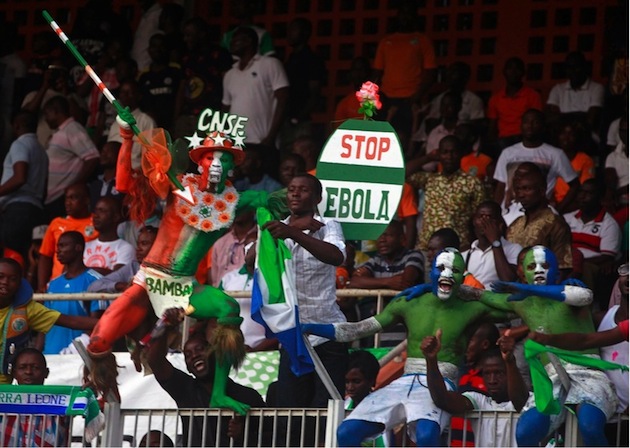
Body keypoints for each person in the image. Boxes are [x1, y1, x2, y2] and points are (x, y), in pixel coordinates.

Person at [87, 110, 273, 414]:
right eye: (210, 157)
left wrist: (273, 222)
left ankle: (219, 393)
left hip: (184, 288)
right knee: (98, 342)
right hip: (149, 280)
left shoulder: (238, 201)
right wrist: (126, 138)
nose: (216, 163)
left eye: (224, 158)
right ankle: (106, 401)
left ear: (232, 166)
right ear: (199, 161)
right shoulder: (177, 187)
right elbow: (123, 184)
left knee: (227, 309)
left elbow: (278, 200)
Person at [302, 248, 508, 447]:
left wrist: (466, 290)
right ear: (431, 271)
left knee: (427, 436)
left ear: (463, 277)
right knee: (346, 432)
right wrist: (311, 327)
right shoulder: (409, 302)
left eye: (454, 271)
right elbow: (356, 330)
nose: (447, 274)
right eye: (442, 268)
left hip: (440, 382)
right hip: (404, 380)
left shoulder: (471, 307)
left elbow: (519, 307)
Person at [459, 245, 616, 447]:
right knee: (525, 433)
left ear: (557, 271)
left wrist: (526, 288)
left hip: (587, 372)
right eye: (532, 266)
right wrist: (432, 286)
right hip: (550, 380)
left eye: (545, 265)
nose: (539, 270)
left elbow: (584, 296)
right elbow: (476, 294)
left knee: (590, 426)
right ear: (523, 272)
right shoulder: (521, 302)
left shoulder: (571, 290)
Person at [262, 173, 349, 409]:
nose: (296, 194)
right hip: (293, 336)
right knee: (290, 411)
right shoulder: (278, 227)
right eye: (291, 189)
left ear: (318, 197)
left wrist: (294, 234)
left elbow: (336, 256)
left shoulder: (328, 225)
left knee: (326, 409)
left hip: (327, 334)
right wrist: (284, 230)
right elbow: (251, 261)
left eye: (303, 190)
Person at [146, 309, 266, 447]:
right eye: (188, 355)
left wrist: (243, 435)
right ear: (188, 368)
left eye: (200, 349)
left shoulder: (248, 396)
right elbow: (155, 361)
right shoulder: (186, 390)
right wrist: (166, 326)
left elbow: (269, 438)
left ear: (215, 352)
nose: (194, 355)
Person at [422, 330, 530, 447]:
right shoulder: (479, 401)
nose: (492, 380)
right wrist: (431, 360)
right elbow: (442, 398)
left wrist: (509, 361)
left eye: (499, 373)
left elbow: (520, 401)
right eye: (487, 373)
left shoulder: (530, 401)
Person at [0, 257, 97, 384]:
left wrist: (114, 322)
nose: (5, 282)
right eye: (0, 276)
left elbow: (71, 321)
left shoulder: (27, 310)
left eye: (13, 279)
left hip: (4, 386)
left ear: (20, 283)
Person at [373, 1, 436, 148]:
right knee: (386, 138)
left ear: (415, 17)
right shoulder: (386, 41)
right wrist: (373, 99)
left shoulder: (422, 41)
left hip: (412, 100)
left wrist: (416, 96)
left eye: (409, 13)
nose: (405, 17)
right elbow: (376, 73)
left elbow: (430, 73)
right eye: (402, 13)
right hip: (388, 100)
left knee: (410, 140)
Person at [493, 109, 579, 215]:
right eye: (526, 122)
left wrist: (558, 210)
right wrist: (496, 213)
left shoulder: (556, 154)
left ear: (543, 127)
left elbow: (575, 185)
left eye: (535, 122)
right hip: (508, 214)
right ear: (521, 125)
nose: (530, 125)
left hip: (540, 214)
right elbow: (500, 186)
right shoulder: (508, 153)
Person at [407, 135, 486, 251]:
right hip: (427, 249)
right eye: (445, 152)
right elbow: (402, 173)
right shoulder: (429, 179)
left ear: (460, 154)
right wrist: (428, 157)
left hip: (458, 249)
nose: (449, 156)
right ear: (439, 155)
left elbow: (480, 219)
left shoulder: (472, 183)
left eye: (454, 152)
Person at [222, 26, 289, 153]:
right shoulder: (230, 74)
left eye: (235, 41)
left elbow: (283, 100)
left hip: (262, 141)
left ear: (248, 41)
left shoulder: (270, 64)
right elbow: (225, 109)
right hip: (236, 143)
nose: (231, 45)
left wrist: (270, 137)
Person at [506, 164, 573, 278]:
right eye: (518, 189)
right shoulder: (515, 224)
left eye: (527, 189)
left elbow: (562, 269)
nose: (521, 194)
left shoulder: (556, 224)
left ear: (542, 190)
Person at [43, 231, 104, 355]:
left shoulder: (96, 281)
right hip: (50, 354)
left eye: (63, 246)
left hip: (79, 355)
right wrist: (39, 350)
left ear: (78, 248)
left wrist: (77, 348)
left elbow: (99, 323)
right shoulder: (53, 284)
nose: (58, 251)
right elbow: (45, 322)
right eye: (58, 246)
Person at [0, 110, 48, 261]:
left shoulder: (19, 144)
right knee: (25, 258)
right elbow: (44, 187)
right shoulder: (42, 151)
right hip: (36, 210)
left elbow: (20, 177)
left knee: (10, 256)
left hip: (17, 209)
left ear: (17, 125)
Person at [563, 179, 621, 303]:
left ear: (600, 198)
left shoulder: (609, 224)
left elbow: (606, 257)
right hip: (565, 262)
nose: (582, 197)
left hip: (589, 266)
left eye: (589, 193)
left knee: (585, 268)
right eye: (581, 192)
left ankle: (584, 308)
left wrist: (577, 262)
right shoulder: (566, 219)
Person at [42, 95, 99, 220]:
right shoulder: (60, 131)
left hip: (62, 197)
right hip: (52, 196)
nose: (45, 119)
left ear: (56, 112)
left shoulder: (73, 129)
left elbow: (92, 157)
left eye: (47, 114)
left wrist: (74, 185)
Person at [2, 348, 71, 446]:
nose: (29, 372)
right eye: (22, 367)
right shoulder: (3, 401)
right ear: (14, 373)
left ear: (46, 373)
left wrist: (87, 393)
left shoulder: (63, 402)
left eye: (35, 367)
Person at [37, 183, 98, 293]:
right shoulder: (56, 223)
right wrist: (42, 285)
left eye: (73, 198)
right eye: (66, 198)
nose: (67, 203)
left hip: (86, 284)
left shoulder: (97, 222)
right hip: (57, 283)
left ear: (86, 200)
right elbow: (45, 255)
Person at [449, 322, 500, 447]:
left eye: (470, 340)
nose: (466, 346)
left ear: (485, 344)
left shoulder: (496, 381)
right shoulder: (462, 374)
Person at [462, 201, 522, 289]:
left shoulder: (514, 249)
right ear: (474, 221)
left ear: (500, 224)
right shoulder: (466, 254)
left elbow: (508, 280)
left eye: (490, 217)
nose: (485, 221)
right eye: (481, 217)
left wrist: (495, 242)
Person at [487, 57, 543, 149]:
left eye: (517, 69)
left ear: (523, 72)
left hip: (525, 138)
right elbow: (492, 127)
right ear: (504, 72)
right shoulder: (495, 98)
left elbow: (537, 122)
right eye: (510, 68)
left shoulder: (532, 95)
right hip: (503, 140)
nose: (513, 72)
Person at [546, 51, 605, 136]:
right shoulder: (558, 89)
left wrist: (562, 117)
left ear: (584, 67)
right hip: (562, 137)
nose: (573, 71)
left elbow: (591, 121)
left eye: (576, 67)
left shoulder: (597, 88)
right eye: (569, 67)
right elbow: (549, 118)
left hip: (587, 137)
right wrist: (581, 116)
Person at [88, 226, 158, 294]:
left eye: (144, 243)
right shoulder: (133, 267)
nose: (138, 248)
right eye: (138, 244)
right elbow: (93, 287)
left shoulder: (167, 268)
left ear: (159, 245)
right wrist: (120, 285)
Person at [83, 196, 135, 275]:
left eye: (102, 211)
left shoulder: (125, 248)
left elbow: (116, 277)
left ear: (115, 217)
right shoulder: (85, 246)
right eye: (96, 210)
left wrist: (83, 272)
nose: (96, 215)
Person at [552, 119, 595, 209]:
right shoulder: (552, 156)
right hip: (552, 205)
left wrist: (560, 209)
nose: (566, 138)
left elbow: (584, 191)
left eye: (571, 134)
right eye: (563, 133)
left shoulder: (585, 160)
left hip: (575, 206)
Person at [209, 208, 257, 287]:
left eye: (242, 206)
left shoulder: (262, 239)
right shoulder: (219, 244)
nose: (236, 210)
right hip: (223, 296)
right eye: (233, 207)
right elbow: (214, 281)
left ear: (253, 210)